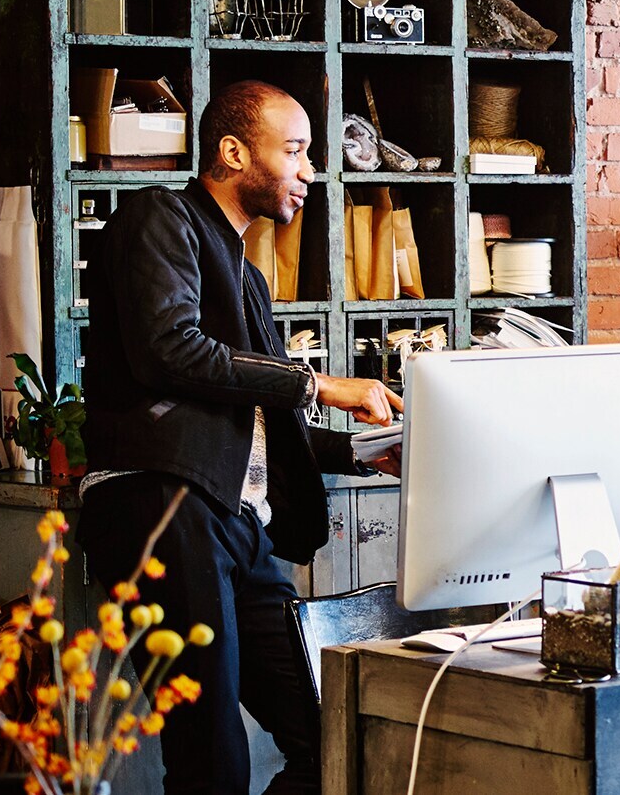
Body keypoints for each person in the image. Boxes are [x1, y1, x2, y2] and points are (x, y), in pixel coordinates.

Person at [75, 80, 401, 794]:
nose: (311, 170)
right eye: (294, 150)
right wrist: (316, 383)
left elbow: (255, 422)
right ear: (231, 152)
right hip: (163, 506)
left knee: (334, 739)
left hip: (236, 520)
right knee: (211, 757)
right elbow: (171, 348)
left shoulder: (249, 280)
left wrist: (369, 452)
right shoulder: (160, 219)